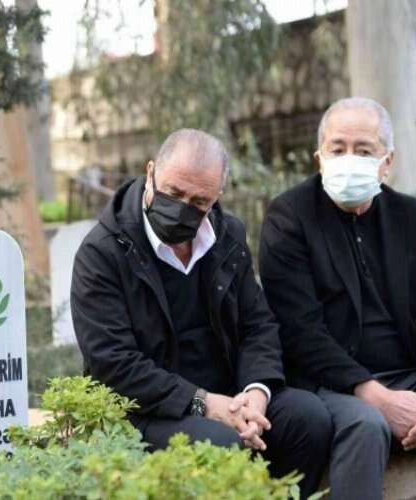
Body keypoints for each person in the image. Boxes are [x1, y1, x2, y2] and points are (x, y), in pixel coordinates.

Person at [71, 128, 332, 496]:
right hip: (146, 410)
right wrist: (203, 403)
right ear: (150, 172)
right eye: (173, 193)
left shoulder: (227, 236)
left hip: (229, 394)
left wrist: (256, 394)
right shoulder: (103, 253)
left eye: (198, 201)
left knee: (309, 419)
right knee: (219, 443)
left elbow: (257, 325)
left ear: (217, 197)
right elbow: (112, 362)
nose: (182, 208)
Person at [259, 97, 416, 500]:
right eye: (338, 148)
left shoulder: (410, 217)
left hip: (405, 370)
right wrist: (376, 395)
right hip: (329, 382)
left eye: (364, 151)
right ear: (319, 158)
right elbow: (299, 330)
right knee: (367, 425)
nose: (349, 159)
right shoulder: (288, 217)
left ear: (387, 161)